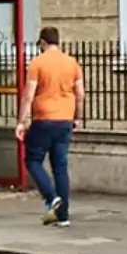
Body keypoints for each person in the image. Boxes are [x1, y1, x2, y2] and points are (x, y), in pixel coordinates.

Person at [15, 27, 84, 228]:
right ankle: (63, 216)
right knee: (60, 166)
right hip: (65, 120)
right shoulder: (72, 63)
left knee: (32, 159)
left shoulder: (38, 63)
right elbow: (80, 93)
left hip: (44, 118)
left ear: (43, 43)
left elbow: (29, 95)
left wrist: (21, 121)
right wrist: (77, 118)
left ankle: (51, 197)